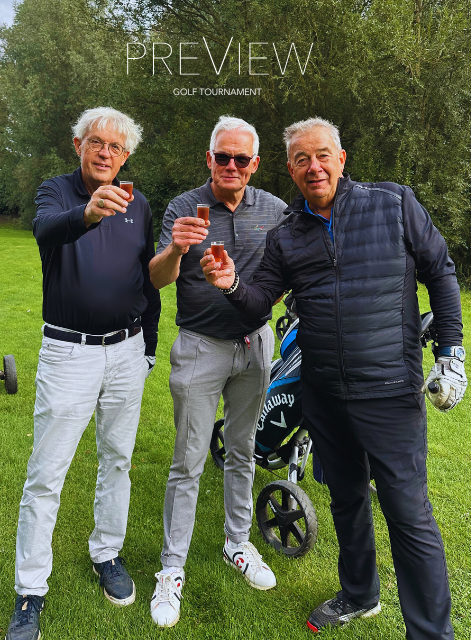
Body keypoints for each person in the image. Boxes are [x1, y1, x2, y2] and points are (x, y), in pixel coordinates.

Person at [202, 117, 467, 640]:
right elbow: (259, 301)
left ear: (341, 159)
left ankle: (431, 633)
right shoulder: (286, 235)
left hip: (389, 391)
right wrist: (232, 284)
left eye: (322, 155)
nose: (314, 167)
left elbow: (440, 270)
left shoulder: (393, 203)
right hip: (322, 393)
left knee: (407, 512)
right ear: (290, 170)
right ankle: (360, 594)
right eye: (302, 159)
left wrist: (450, 352)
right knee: (346, 499)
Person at [5, 107, 161, 640]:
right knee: (47, 474)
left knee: (116, 460)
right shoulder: (57, 192)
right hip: (69, 352)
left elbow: (148, 280)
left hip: (126, 351)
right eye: (97, 142)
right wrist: (88, 214)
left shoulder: (140, 203)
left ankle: (107, 553)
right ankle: (30, 591)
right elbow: (45, 231)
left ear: (126, 156)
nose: (105, 153)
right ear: (79, 145)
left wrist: (147, 348)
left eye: (116, 147)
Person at [147, 116, 288, 627]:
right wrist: (176, 248)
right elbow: (157, 279)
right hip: (201, 346)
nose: (231, 165)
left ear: (255, 164)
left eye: (241, 158)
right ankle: (172, 569)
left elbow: (289, 271)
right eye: (222, 157)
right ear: (209, 159)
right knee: (188, 461)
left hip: (255, 345)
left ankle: (237, 543)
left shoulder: (275, 209)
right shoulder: (184, 207)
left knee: (243, 450)